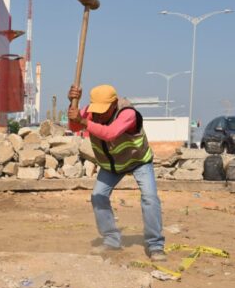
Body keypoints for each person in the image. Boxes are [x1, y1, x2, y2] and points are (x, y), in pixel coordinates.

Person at [68, 84, 166, 262]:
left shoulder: (127, 113)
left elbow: (110, 133)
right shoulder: (91, 111)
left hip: (138, 161)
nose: (98, 115)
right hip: (111, 165)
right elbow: (74, 127)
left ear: (114, 104)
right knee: (98, 196)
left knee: (150, 198)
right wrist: (72, 105)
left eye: (103, 111)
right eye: (95, 110)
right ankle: (112, 239)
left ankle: (155, 245)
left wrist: (82, 121)